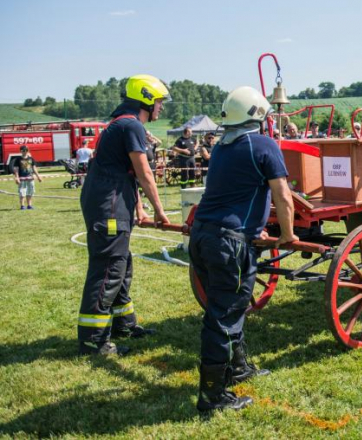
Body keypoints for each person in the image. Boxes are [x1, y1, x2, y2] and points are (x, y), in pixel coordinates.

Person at [190, 86, 297, 414]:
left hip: (203, 236)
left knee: (223, 309)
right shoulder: (264, 145)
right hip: (229, 242)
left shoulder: (222, 147)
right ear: (259, 116)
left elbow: (236, 192)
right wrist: (288, 235)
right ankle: (213, 397)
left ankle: (238, 368)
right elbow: (283, 196)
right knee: (224, 317)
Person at [77, 75, 170, 356]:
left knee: (121, 264)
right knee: (109, 267)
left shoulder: (123, 123)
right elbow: (143, 172)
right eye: (159, 102)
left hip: (113, 200)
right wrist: (160, 210)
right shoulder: (131, 125)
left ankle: (124, 325)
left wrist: (139, 207)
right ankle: (94, 339)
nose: (161, 108)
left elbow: (125, 172)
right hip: (109, 206)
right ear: (146, 99)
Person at [12, 145, 43, 210]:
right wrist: (17, 177)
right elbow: (16, 169)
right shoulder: (18, 159)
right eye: (23, 150)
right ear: (21, 151)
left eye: (26, 150)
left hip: (30, 178)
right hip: (22, 179)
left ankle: (29, 205)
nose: (25, 152)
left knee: (30, 192)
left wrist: (38, 176)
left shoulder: (31, 159)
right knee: (22, 192)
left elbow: (34, 168)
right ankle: (22, 206)